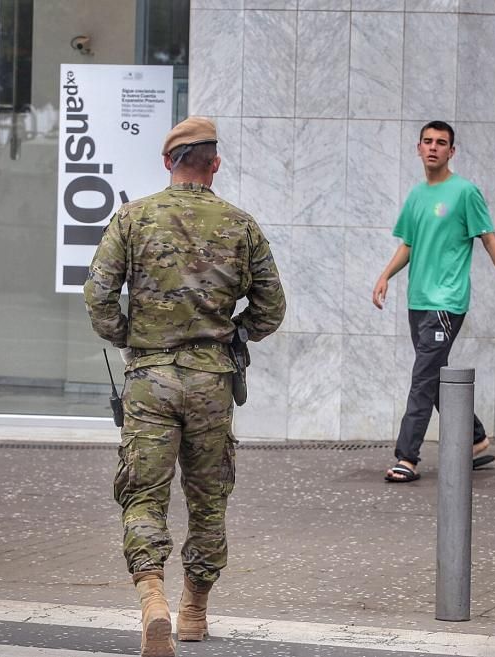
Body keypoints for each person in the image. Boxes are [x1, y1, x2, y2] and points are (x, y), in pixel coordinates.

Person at [83, 116, 285, 656]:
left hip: (149, 381)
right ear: (214, 164)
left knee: (144, 495)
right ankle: (194, 609)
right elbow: (272, 309)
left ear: (168, 162)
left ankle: (153, 600)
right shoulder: (241, 225)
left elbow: (98, 296)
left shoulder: (133, 217)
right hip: (211, 382)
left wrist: (131, 336)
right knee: (209, 497)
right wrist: (236, 332)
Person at [372, 120, 495, 483]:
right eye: (427, 141)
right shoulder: (416, 196)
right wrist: (384, 276)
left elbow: (489, 240)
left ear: (451, 152)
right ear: (418, 148)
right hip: (418, 300)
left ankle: (407, 457)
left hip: (447, 301)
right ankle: (474, 440)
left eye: (441, 143)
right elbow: (409, 245)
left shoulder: (465, 192)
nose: (433, 148)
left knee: (422, 378)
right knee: (437, 374)